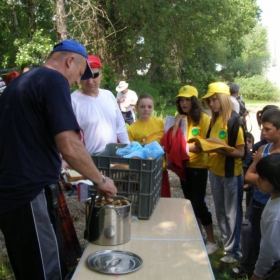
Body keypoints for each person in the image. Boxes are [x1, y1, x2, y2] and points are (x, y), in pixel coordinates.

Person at [0, 39, 117, 280]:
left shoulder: (20, 82)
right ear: (69, 61)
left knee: (32, 266)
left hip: (12, 193)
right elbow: (70, 144)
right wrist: (100, 179)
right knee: (45, 271)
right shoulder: (54, 81)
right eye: (79, 73)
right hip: (28, 192)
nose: (78, 80)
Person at [232, 108, 280, 278]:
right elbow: (249, 175)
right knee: (253, 237)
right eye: (262, 129)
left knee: (270, 243)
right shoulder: (263, 150)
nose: (263, 133)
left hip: (274, 206)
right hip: (259, 202)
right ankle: (249, 267)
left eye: (268, 129)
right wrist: (267, 179)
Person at [201, 82, 245, 264]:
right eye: (209, 100)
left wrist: (219, 149)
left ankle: (234, 252)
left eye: (214, 99)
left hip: (230, 174)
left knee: (232, 213)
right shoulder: (215, 119)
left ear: (224, 99)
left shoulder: (235, 121)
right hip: (215, 171)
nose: (211, 104)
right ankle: (227, 247)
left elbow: (241, 153)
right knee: (220, 210)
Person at [172, 85, 217, 255]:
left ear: (194, 101)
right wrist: (176, 123)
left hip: (198, 166)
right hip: (184, 166)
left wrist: (180, 147)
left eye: (188, 99)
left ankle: (212, 240)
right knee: (189, 203)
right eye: (181, 100)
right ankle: (196, 235)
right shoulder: (181, 117)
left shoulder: (203, 118)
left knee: (199, 204)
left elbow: (201, 147)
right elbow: (172, 140)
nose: (184, 103)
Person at [71, 55, 129, 155]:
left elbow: (120, 126)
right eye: (86, 76)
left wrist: (128, 150)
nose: (90, 81)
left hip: (113, 157)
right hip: (89, 160)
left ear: (101, 74)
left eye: (94, 75)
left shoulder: (109, 95)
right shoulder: (72, 101)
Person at [127, 94, 170, 196]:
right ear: (137, 108)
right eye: (142, 107)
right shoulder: (132, 129)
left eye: (149, 107)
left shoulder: (160, 123)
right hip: (143, 169)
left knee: (163, 197)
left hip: (160, 168)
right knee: (146, 196)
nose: (146, 109)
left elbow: (166, 142)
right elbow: (131, 151)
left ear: (153, 108)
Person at [251, 153, 280, 280]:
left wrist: (257, 274)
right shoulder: (273, 198)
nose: (257, 180)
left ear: (276, 181)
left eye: (262, 178)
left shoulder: (276, 214)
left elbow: (270, 249)